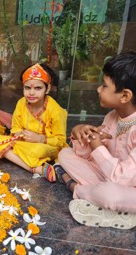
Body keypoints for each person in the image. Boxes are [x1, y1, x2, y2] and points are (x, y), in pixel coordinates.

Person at [54, 52, 136, 229]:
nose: (99, 89)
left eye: (104, 86)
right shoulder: (113, 117)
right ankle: (114, 210)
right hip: (110, 176)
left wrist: (97, 146)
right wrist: (81, 135)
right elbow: (89, 155)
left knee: (110, 195)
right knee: (65, 154)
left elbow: (121, 177)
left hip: (126, 188)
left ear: (125, 96)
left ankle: (76, 188)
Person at [0, 63, 68, 182]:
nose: (31, 93)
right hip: (24, 143)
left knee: (35, 151)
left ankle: (32, 166)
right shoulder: (21, 103)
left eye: (38, 88)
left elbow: (60, 140)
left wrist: (39, 138)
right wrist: (18, 133)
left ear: (47, 89)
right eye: (27, 88)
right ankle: (38, 169)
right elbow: (16, 126)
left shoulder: (55, 110)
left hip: (46, 145)